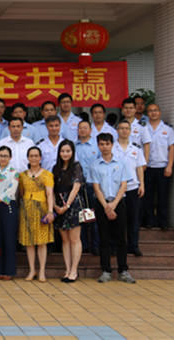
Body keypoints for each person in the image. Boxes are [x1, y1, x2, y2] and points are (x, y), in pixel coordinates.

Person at [89, 133, 135, 284]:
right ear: (98, 145)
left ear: (112, 144)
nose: (105, 147)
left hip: (118, 203)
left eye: (107, 144)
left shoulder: (121, 163)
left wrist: (113, 205)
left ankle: (123, 270)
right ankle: (106, 270)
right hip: (102, 204)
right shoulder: (95, 165)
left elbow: (124, 185)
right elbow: (96, 188)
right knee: (104, 238)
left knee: (121, 238)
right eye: (102, 144)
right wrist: (106, 207)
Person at [18, 146, 54, 282]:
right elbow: (21, 192)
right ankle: (32, 269)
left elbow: (49, 194)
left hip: (42, 210)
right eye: (31, 156)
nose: (33, 158)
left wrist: (50, 211)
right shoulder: (22, 175)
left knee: (42, 242)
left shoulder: (47, 175)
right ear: (28, 158)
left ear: (40, 158)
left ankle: (42, 270)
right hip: (27, 210)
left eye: (36, 156)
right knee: (29, 242)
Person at [52, 140, 84, 283]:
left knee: (74, 239)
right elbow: (52, 189)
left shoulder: (76, 167)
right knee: (65, 240)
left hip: (73, 204)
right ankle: (67, 269)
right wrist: (55, 206)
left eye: (68, 151)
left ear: (72, 152)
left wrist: (67, 205)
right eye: (63, 151)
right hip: (58, 205)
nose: (65, 154)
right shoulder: (56, 168)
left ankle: (74, 270)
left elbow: (76, 187)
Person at [113, 120, 146, 256]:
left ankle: (133, 245)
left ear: (130, 131)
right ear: (117, 130)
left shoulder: (136, 148)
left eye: (127, 128)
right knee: (117, 219)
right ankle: (118, 246)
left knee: (133, 218)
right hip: (116, 188)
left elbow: (139, 168)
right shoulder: (112, 148)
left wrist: (142, 184)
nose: (124, 131)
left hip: (132, 187)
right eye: (121, 128)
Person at [143, 104, 174, 230]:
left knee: (163, 195)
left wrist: (170, 166)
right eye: (150, 111)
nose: (153, 113)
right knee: (148, 196)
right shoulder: (143, 129)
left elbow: (171, 148)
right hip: (147, 167)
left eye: (155, 110)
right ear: (147, 113)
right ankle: (150, 221)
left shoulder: (168, 130)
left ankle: (163, 221)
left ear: (160, 112)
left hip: (163, 167)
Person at [0, 146, 20, 280]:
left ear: (10, 157)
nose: (3, 158)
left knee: (9, 238)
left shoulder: (14, 172)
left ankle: (9, 270)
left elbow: (11, 190)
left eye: (5, 156)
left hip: (8, 206)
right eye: (0, 156)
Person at [75, 119, 100, 254]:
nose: (83, 130)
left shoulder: (96, 146)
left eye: (85, 127)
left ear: (90, 130)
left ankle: (95, 245)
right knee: (81, 216)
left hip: (92, 185)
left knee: (93, 216)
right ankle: (84, 245)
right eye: (80, 128)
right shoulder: (74, 146)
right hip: (78, 186)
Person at [121, 97, 151, 162]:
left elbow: (146, 144)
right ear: (122, 110)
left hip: (137, 161)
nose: (128, 110)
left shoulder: (141, 126)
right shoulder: (119, 126)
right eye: (126, 108)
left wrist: (145, 161)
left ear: (135, 109)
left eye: (131, 108)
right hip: (122, 160)